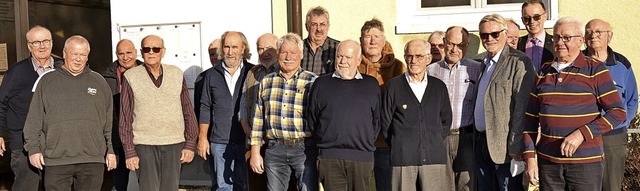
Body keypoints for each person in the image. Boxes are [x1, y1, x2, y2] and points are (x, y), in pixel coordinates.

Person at [523, 17, 627, 191]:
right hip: (549, 163)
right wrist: (530, 157)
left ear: (580, 40)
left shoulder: (596, 69)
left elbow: (617, 112)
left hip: (585, 164)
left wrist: (582, 134)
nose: (560, 42)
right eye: (556, 37)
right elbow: (530, 120)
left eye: (566, 38)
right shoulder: (543, 72)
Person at [23, 35, 116, 190]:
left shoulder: (99, 82)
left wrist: (111, 150)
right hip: (56, 160)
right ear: (64, 53)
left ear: (87, 56)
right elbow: (34, 119)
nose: (78, 59)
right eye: (74, 54)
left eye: (83, 55)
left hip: (92, 159)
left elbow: (109, 121)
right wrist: (33, 149)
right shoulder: (47, 81)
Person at [119, 35, 198, 191]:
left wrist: (190, 143)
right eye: (147, 49)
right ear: (141, 52)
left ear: (163, 51)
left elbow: (187, 110)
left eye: (156, 49)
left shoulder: (176, 73)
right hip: (144, 145)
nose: (151, 52)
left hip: (174, 144)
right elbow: (125, 117)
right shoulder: (131, 76)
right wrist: (129, 151)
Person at [249, 33, 318, 191]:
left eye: (293, 53)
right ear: (278, 54)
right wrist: (255, 152)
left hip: (305, 149)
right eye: (284, 52)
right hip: (275, 149)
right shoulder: (266, 81)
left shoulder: (313, 81)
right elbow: (258, 119)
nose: (288, 57)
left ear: (301, 55)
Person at [308, 40, 380, 191]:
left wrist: (361, 141)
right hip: (329, 158)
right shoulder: (321, 84)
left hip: (362, 158)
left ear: (358, 60)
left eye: (348, 57)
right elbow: (312, 120)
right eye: (339, 57)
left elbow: (376, 121)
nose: (343, 61)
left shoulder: (371, 84)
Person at [382, 39, 453, 191]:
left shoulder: (439, 87)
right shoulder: (393, 86)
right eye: (409, 56)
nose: (413, 60)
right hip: (403, 158)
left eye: (419, 56)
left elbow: (446, 121)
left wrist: (431, 139)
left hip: (434, 158)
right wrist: (402, 143)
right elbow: (386, 124)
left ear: (428, 59)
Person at [475, 14, 535, 191]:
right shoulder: (483, 62)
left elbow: (522, 107)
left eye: (494, 34)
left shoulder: (519, 61)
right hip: (481, 143)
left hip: (506, 147)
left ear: (504, 33)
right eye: (484, 35)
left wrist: (516, 145)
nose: (489, 39)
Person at [0, 25, 59, 191]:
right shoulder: (16, 73)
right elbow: (1, 103)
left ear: (52, 43)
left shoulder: (62, 70)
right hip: (23, 143)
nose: (42, 46)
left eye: (46, 41)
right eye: (36, 42)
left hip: (56, 143)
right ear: (29, 46)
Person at [582, 18, 638, 191]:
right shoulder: (577, 62)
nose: (593, 36)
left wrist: (623, 123)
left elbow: (632, 99)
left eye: (598, 32)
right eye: (589, 32)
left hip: (613, 136)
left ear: (609, 36)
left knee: (611, 186)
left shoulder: (623, 64)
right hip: (583, 135)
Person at [426, 26, 481, 191]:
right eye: (451, 44)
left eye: (460, 45)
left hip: (466, 138)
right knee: (441, 186)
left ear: (466, 46)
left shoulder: (476, 69)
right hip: (438, 138)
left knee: (466, 186)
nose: (455, 49)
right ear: (444, 43)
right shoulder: (430, 71)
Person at [198, 31, 253, 191]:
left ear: (243, 48)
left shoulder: (252, 72)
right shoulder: (211, 74)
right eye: (227, 46)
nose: (230, 51)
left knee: (244, 186)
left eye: (234, 47)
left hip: (246, 141)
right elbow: (205, 106)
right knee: (222, 187)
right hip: (219, 142)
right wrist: (202, 138)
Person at [357, 18, 405, 191]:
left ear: (384, 40)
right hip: (358, 142)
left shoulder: (398, 67)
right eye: (368, 36)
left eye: (377, 36)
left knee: (386, 186)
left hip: (386, 142)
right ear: (361, 40)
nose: (372, 41)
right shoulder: (353, 65)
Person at [239, 33, 279, 191]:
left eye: (269, 48)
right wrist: (247, 130)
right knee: (257, 186)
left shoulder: (285, 71)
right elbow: (243, 104)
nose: (265, 53)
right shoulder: (252, 73)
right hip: (254, 142)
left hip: (278, 145)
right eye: (260, 49)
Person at [102, 39, 143, 191]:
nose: (125, 57)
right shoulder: (106, 78)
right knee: (118, 184)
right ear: (116, 55)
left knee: (147, 181)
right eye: (121, 53)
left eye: (129, 53)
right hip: (118, 136)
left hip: (143, 136)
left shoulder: (147, 73)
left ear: (136, 53)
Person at [302, 6, 340, 75]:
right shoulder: (298, 48)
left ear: (328, 26)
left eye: (322, 24)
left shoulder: (338, 48)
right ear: (307, 27)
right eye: (314, 24)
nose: (318, 29)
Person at [517, 0, 554, 71]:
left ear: (545, 16)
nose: (532, 22)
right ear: (522, 20)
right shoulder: (517, 43)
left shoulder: (556, 43)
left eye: (536, 17)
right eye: (527, 18)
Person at [195, 38, 222, 120]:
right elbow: (198, 108)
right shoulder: (201, 78)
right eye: (211, 54)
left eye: (218, 53)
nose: (215, 57)